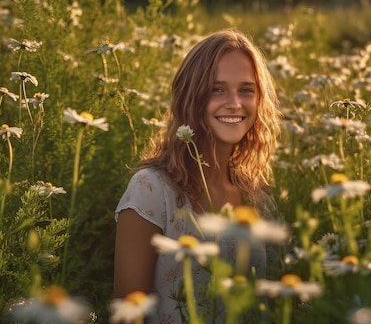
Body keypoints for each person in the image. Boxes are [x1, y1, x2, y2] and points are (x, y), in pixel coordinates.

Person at [113, 28, 282, 323]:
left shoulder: (258, 198)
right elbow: (127, 313)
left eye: (246, 89)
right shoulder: (151, 190)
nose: (234, 102)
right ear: (191, 95)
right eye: (217, 89)